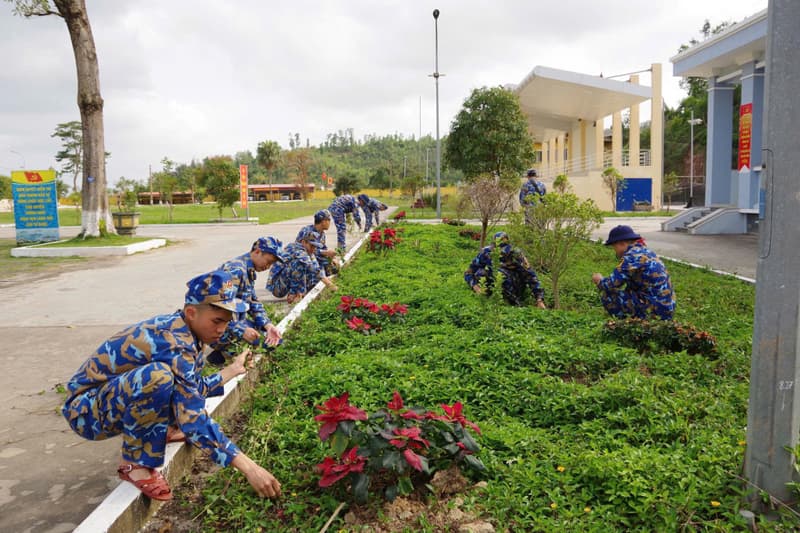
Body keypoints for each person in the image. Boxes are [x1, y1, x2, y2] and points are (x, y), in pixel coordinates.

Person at [61, 271, 282, 501]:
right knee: (158, 377)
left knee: (170, 382)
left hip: (105, 401)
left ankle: (162, 429)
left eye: (227, 322)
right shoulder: (174, 342)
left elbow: (191, 390)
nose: (221, 329)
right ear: (191, 312)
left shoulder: (186, 332)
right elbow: (193, 418)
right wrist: (250, 468)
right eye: (217, 321)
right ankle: (134, 463)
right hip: (85, 412)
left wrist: (232, 370)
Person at [206, 237, 284, 365]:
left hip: (234, 323)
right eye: (268, 261)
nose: (268, 267)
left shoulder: (248, 270)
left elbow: (253, 302)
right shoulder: (235, 271)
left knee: (273, 338)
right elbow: (217, 309)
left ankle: (220, 355)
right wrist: (242, 330)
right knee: (265, 343)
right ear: (258, 252)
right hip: (218, 326)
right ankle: (222, 353)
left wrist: (268, 325)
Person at [592, 225, 675, 320]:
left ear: (622, 243)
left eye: (614, 247)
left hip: (654, 311)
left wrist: (599, 280)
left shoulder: (631, 257)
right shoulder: (646, 251)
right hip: (667, 307)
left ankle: (629, 325)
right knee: (630, 289)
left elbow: (611, 284)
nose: (614, 250)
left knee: (608, 296)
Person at [266, 230, 338, 303]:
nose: (313, 249)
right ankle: (296, 294)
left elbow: (316, 268)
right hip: (277, 287)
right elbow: (313, 269)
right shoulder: (297, 249)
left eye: (315, 247)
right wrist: (330, 285)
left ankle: (296, 293)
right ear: (303, 242)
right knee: (299, 264)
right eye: (312, 246)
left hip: (284, 282)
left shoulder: (309, 252)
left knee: (313, 269)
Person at [495, 231, 546, 308]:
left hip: (515, 282)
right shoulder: (489, 252)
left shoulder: (516, 253)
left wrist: (539, 299)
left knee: (504, 276)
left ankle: (516, 303)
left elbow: (531, 276)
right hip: (496, 285)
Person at [297, 209, 339, 276]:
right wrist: (325, 253)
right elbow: (307, 250)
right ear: (323, 221)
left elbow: (323, 248)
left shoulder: (322, 233)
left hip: (315, 258)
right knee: (326, 267)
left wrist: (332, 257)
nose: (330, 223)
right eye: (329, 220)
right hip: (303, 259)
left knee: (334, 266)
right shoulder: (309, 232)